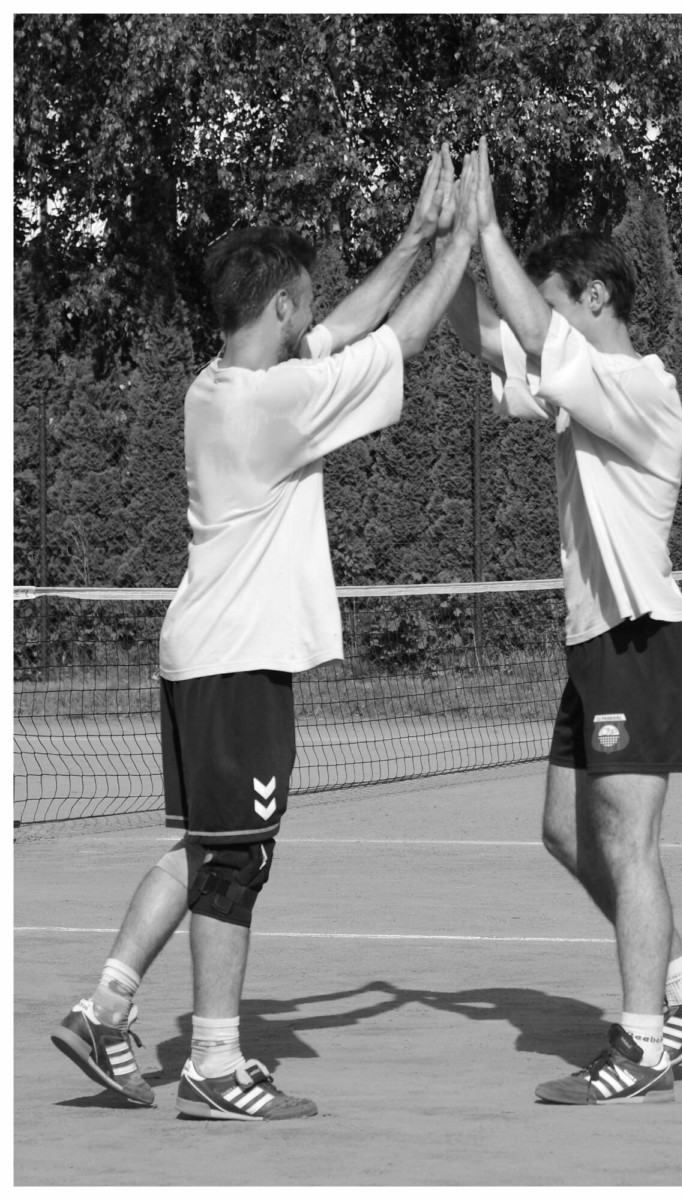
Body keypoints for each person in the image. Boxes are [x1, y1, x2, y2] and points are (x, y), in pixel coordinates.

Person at [52, 146, 480, 1121]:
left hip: (202, 655)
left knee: (206, 848)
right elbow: (400, 338)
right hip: (240, 661)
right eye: (304, 305)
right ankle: (213, 1064)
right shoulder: (275, 403)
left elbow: (342, 329)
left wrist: (414, 235)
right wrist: (461, 243)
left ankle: (104, 1008)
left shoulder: (220, 385)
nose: (311, 319)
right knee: (238, 860)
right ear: (279, 308)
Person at [436, 137, 682, 1105]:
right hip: (594, 641)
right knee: (564, 834)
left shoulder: (639, 389)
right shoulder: (578, 389)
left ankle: (642, 1046)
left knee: (626, 844)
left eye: (554, 304)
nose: (540, 324)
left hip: (636, 638)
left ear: (594, 298)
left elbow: (526, 326)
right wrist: (445, 246)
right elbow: (487, 335)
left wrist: (489, 228)